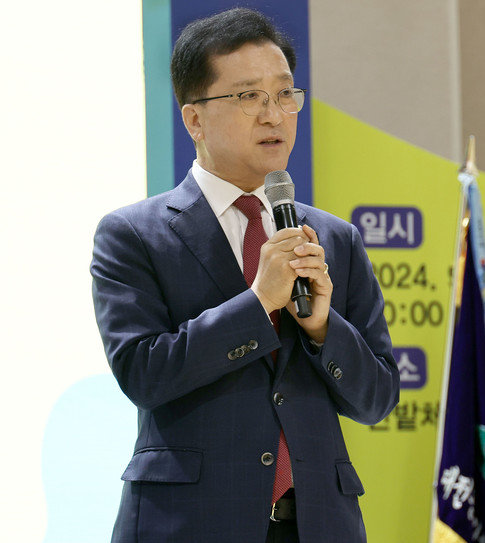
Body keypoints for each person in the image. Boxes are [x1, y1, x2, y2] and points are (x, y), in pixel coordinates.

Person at [90, 7, 399, 543]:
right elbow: (143, 374)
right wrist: (257, 304)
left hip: (317, 525)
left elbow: (376, 399)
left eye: (284, 94)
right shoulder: (133, 234)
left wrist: (323, 329)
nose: (274, 115)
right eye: (249, 96)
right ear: (194, 120)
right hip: (189, 524)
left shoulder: (336, 239)